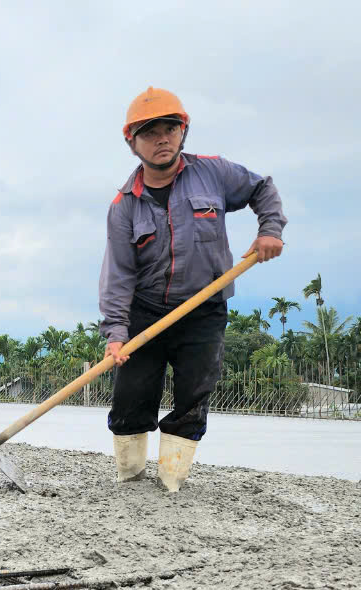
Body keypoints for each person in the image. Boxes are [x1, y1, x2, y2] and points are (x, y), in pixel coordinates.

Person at [99, 87, 286, 491]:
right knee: (131, 398)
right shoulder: (124, 206)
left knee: (193, 398)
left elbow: (262, 189)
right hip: (146, 312)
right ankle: (130, 481)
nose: (161, 139)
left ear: (183, 131)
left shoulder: (214, 173)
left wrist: (269, 229)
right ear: (132, 143)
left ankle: (171, 484)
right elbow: (117, 275)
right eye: (149, 133)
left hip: (204, 310)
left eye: (170, 129)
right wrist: (116, 335)